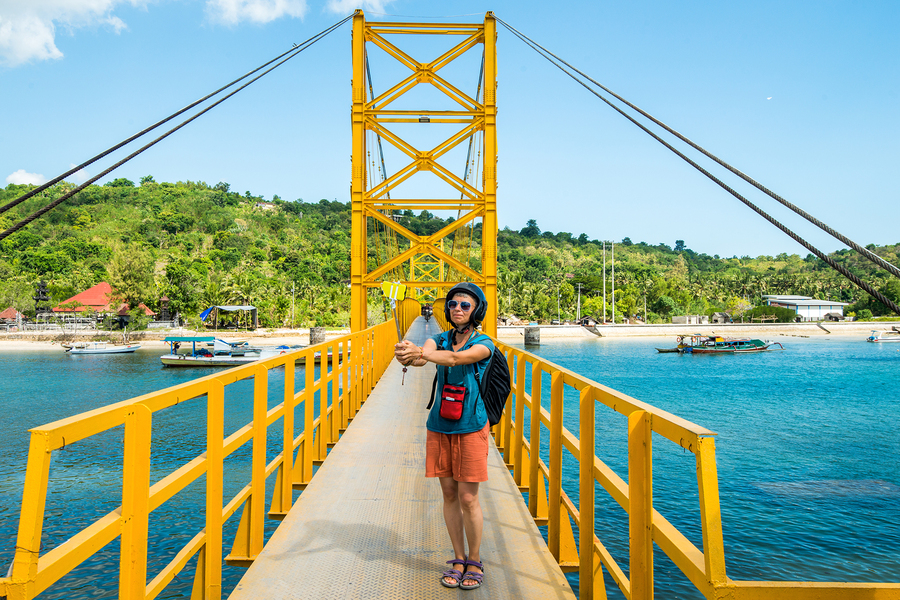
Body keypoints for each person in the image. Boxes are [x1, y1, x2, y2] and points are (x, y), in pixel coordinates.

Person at [394, 282, 495, 590]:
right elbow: (425, 355)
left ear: (477, 309)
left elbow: (454, 360)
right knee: (449, 494)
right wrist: (407, 354)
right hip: (439, 425)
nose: (457, 309)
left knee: (468, 497)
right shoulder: (437, 338)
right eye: (452, 304)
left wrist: (423, 355)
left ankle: (475, 560)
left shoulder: (485, 343)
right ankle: (459, 556)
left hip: (471, 426)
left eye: (465, 305)